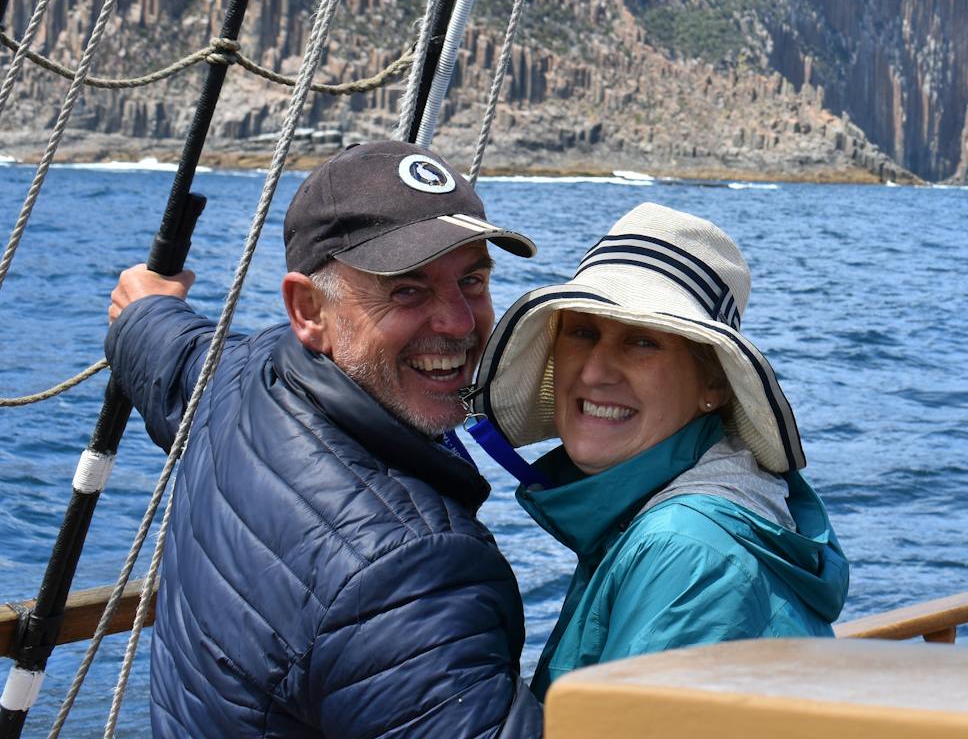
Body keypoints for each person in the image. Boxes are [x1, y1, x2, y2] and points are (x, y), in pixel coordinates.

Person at [106, 140, 543, 737]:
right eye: (407, 290)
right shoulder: (405, 576)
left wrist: (142, 311)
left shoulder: (247, 373)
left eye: (471, 280)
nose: (460, 323)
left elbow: (173, 355)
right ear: (308, 309)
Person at [467, 202, 849, 700]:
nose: (595, 371)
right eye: (583, 332)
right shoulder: (681, 511)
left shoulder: (686, 551)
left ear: (712, 383)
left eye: (642, 342)